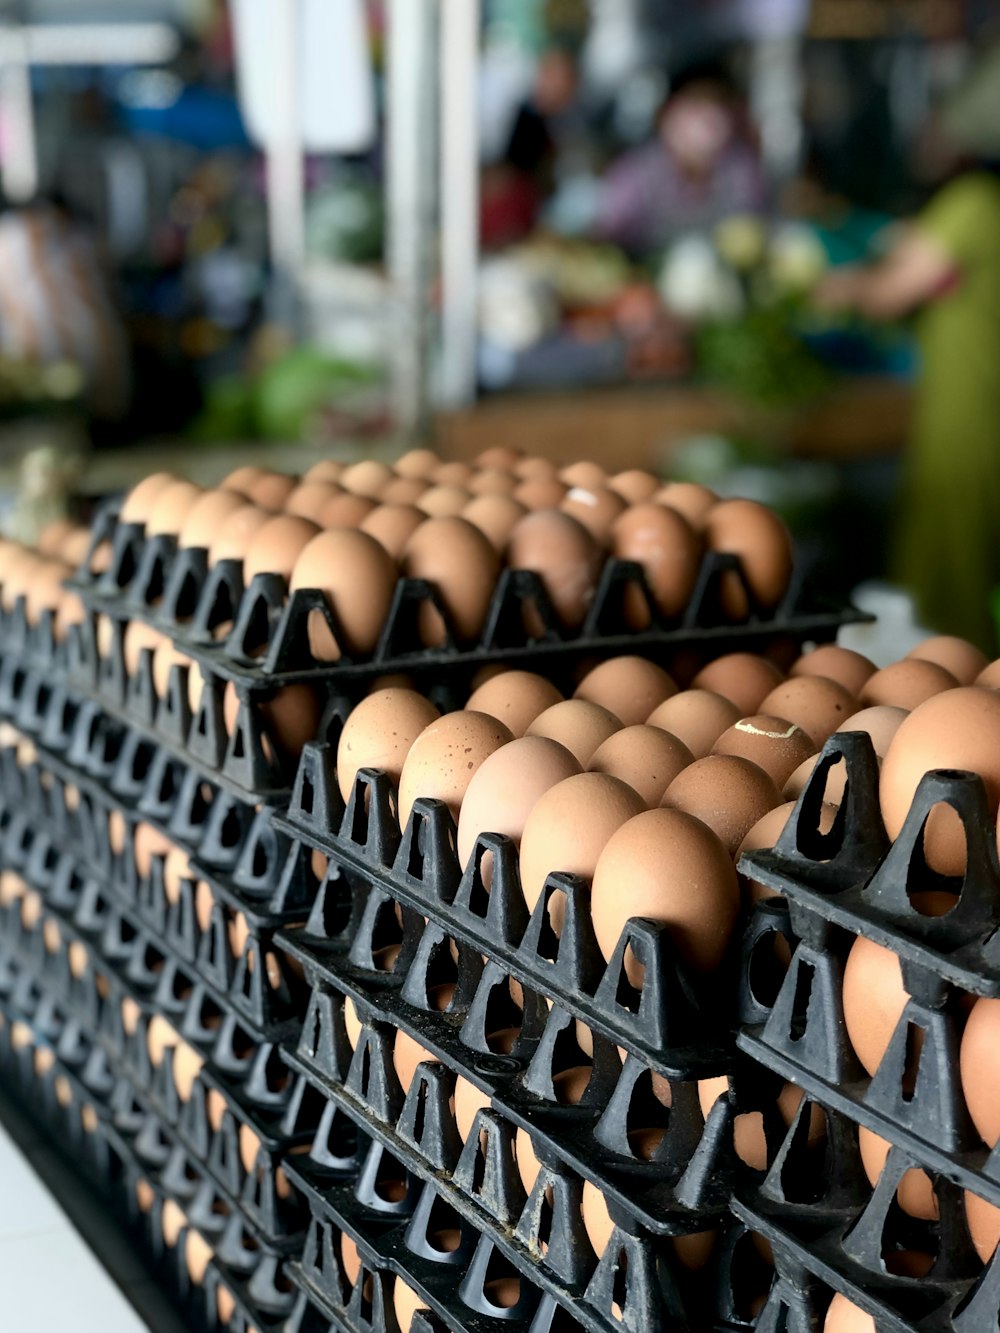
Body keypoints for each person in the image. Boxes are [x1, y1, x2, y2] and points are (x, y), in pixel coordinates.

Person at [816, 144, 1000, 653]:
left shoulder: (974, 200)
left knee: (955, 548)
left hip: (972, 399)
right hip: (970, 396)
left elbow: (890, 292)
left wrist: (825, 288)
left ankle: (962, 678)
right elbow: (909, 249)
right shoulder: (978, 206)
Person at [597, 61, 765, 258]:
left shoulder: (742, 170)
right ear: (668, 112)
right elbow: (606, 238)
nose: (708, 120)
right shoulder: (636, 172)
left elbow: (758, 233)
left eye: (718, 105)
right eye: (697, 104)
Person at [481, 47, 582, 250]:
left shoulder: (559, 126)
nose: (555, 86)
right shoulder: (511, 107)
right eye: (551, 76)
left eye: (563, 82)